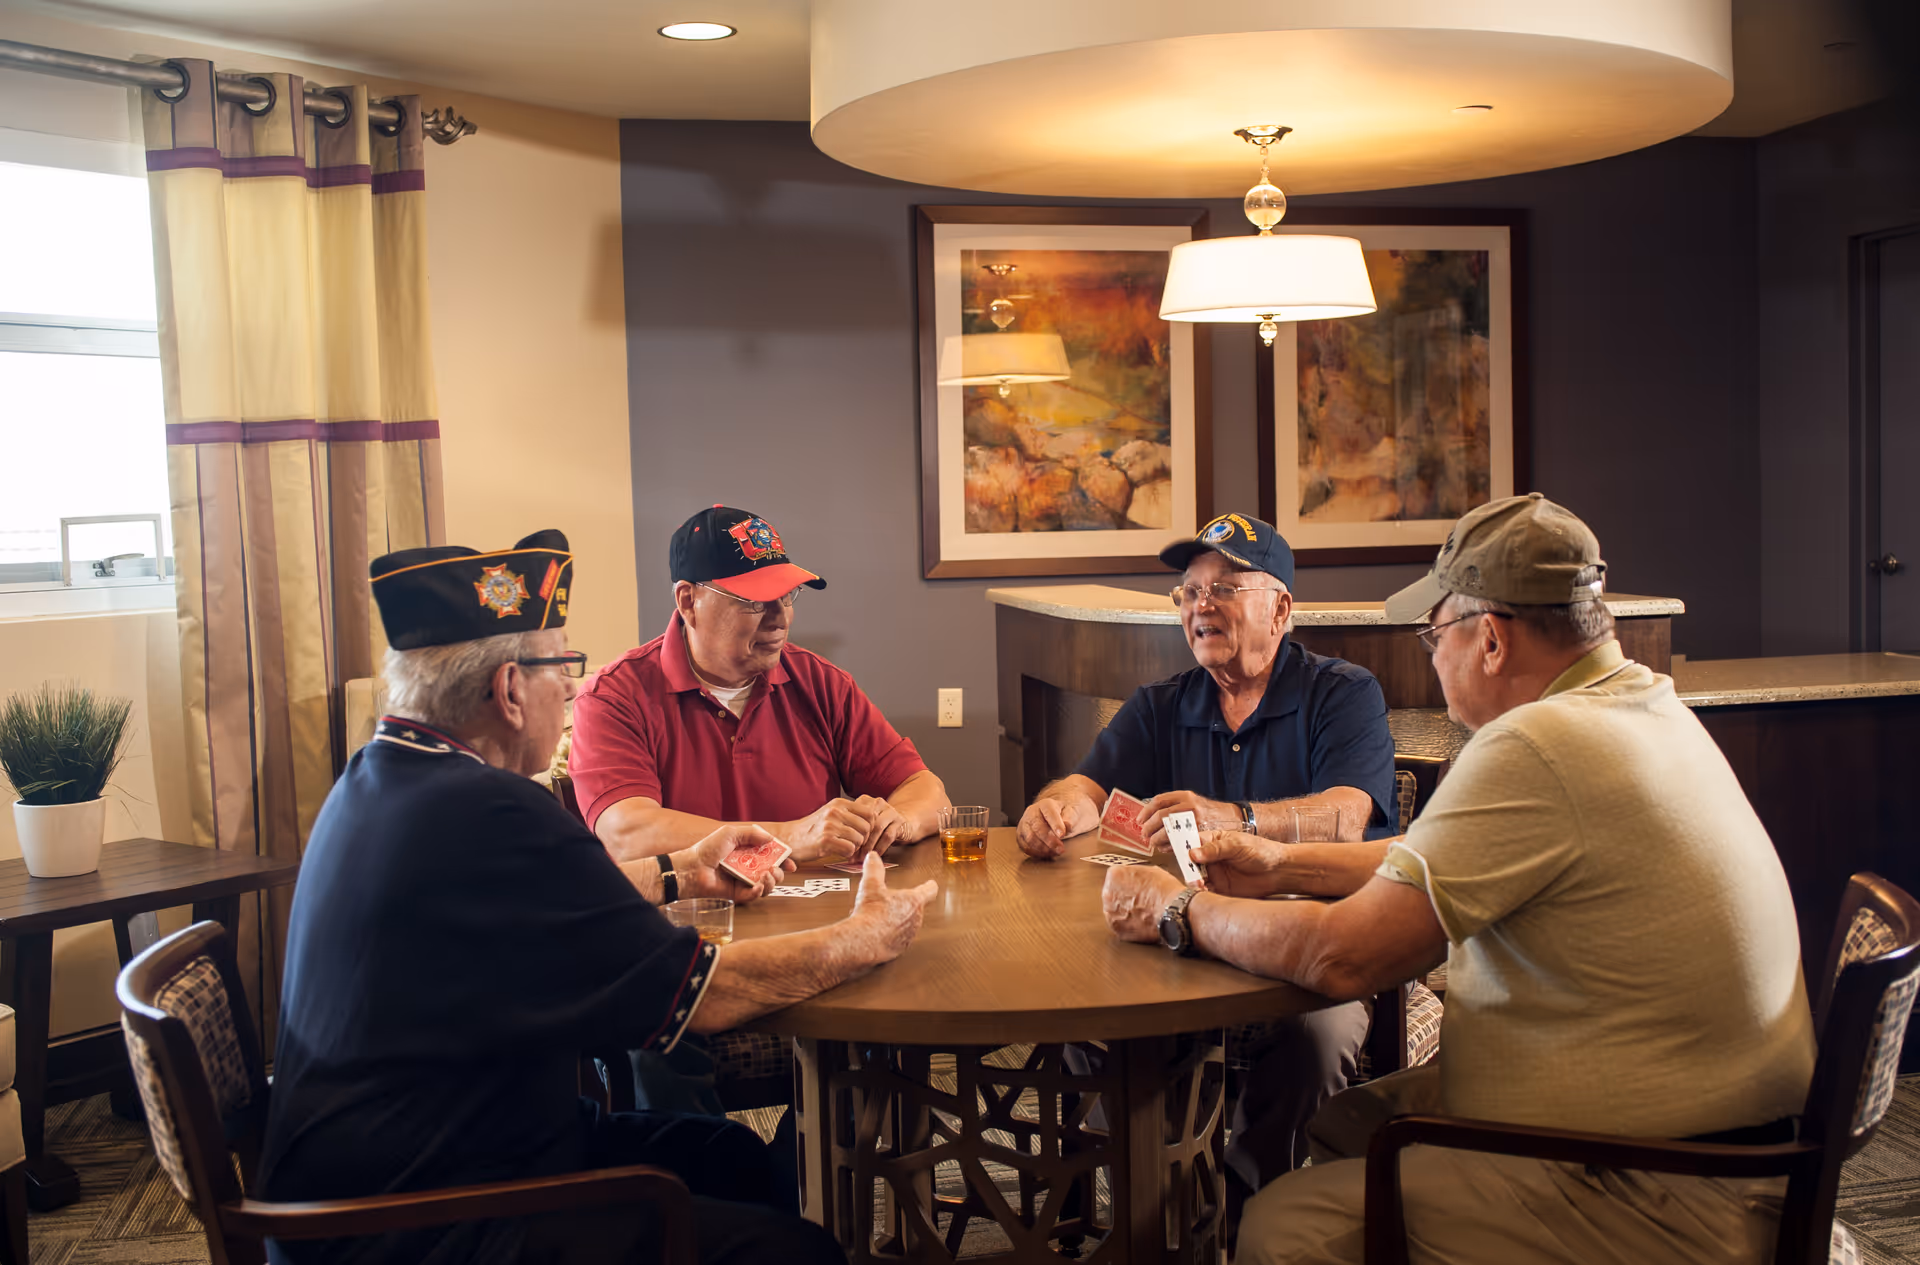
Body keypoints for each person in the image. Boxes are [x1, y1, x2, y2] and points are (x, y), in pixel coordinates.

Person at [1099, 494, 1817, 1264]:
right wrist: (1278, 861)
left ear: (1494, 641)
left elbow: (1341, 957)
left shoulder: (1535, 746)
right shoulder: (1638, 702)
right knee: (1343, 1124)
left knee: (1287, 1223)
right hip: (1718, 1136)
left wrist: (1181, 909)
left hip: (1665, 1182)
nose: (1432, 653)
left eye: (1435, 633)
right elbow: (1432, 852)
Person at [259, 529, 938, 1265]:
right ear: (510, 692)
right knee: (796, 1250)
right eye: (563, 666)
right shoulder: (495, 814)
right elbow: (701, 993)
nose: (574, 687)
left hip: (416, 1165)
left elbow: (550, 898)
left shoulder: (382, 778)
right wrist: (865, 936)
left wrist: (680, 869)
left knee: (742, 1164)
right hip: (426, 1219)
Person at [1017, 511, 1398, 1201]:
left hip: (1312, 945)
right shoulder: (1161, 704)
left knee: (1316, 1039)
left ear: (1280, 606)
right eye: (1189, 593)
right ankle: (1172, 1202)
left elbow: (1349, 813)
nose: (1200, 606)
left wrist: (1240, 819)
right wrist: (1056, 810)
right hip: (1179, 940)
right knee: (1087, 1025)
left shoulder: (1343, 693)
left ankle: (1251, 1208)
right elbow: (1086, 787)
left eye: (1223, 588)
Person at [569, 505, 950, 865]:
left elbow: (928, 791)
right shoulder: (613, 697)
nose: (780, 618)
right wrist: (792, 837)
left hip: (813, 920)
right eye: (755, 601)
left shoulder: (821, 683)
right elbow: (627, 834)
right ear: (689, 601)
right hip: (684, 922)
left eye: (786, 596)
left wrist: (899, 823)